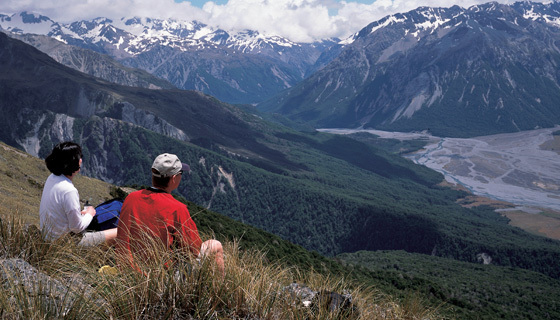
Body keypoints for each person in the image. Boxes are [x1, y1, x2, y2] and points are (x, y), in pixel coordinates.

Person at [116, 153, 224, 276]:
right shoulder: (177, 208)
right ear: (174, 178)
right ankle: (220, 292)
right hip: (160, 278)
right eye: (180, 174)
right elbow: (194, 250)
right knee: (216, 246)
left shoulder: (131, 198)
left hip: (127, 271)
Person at [39, 141, 118, 246]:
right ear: (72, 162)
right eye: (79, 157)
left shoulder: (52, 178)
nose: (81, 160)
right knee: (119, 233)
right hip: (63, 244)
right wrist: (90, 213)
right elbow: (77, 228)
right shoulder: (69, 190)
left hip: (49, 238)